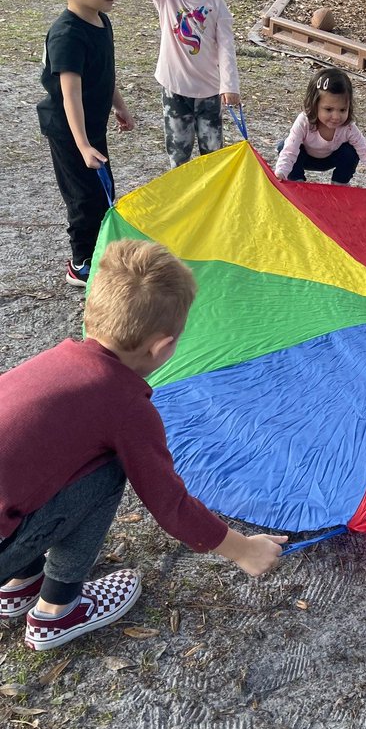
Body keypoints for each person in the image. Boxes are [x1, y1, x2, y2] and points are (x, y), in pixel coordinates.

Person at [0, 239, 287, 652]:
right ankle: (57, 611)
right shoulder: (124, 404)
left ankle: (21, 578)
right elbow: (169, 504)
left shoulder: (56, 361)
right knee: (109, 467)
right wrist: (243, 550)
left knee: (55, 462)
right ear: (163, 347)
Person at [37, 0, 135, 288]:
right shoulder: (67, 35)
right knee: (83, 197)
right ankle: (80, 264)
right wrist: (81, 144)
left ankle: (100, 248)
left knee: (103, 187)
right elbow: (70, 94)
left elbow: (104, 72)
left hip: (91, 128)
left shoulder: (100, 21)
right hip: (68, 132)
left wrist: (119, 105)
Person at [136, 0, 240, 168]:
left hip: (209, 91)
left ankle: (211, 199)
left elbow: (226, 47)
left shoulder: (216, 2)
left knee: (213, 153)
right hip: (175, 88)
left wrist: (230, 85)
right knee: (179, 153)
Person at [274, 67, 366, 189]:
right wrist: (280, 173)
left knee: (351, 151)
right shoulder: (304, 121)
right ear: (314, 105)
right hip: (305, 158)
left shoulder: (348, 127)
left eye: (343, 110)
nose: (336, 117)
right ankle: (297, 185)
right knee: (283, 146)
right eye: (329, 109)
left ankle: (340, 185)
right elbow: (290, 150)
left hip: (330, 159)